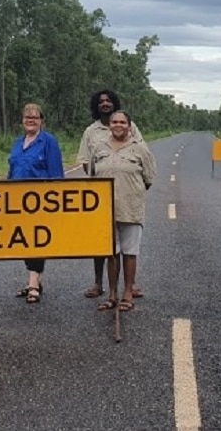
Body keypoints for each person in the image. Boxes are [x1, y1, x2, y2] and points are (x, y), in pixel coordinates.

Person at [76, 89, 144, 299]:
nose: (105, 104)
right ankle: (99, 284)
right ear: (96, 106)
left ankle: (129, 288)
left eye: (108, 101)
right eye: (101, 101)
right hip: (100, 197)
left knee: (127, 246)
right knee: (102, 244)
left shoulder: (130, 127)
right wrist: (100, 178)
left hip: (126, 195)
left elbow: (142, 157)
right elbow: (86, 161)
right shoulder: (91, 132)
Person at [90, 110, 156, 312]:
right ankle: (112, 294)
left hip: (131, 208)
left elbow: (149, 178)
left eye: (122, 122)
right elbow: (93, 175)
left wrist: (129, 192)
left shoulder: (140, 149)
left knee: (129, 251)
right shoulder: (99, 148)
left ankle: (128, 292)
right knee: (111, 252)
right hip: (105, 210)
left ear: (129, 125)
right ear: (109, 125)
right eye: (114, 122)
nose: (118, 125)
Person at [8, 103, 64, 303]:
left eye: (35, 117)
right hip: (16, 202)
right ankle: (35, 280)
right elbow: (12, 170)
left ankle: (33, 284)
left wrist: (56, 201)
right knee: (23, 241)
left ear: (42, 121)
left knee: (36, 240)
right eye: (27, 117)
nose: (30, 120)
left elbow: (56, 174)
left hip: (41, 201)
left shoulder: (49, 142)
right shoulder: (18, 142)